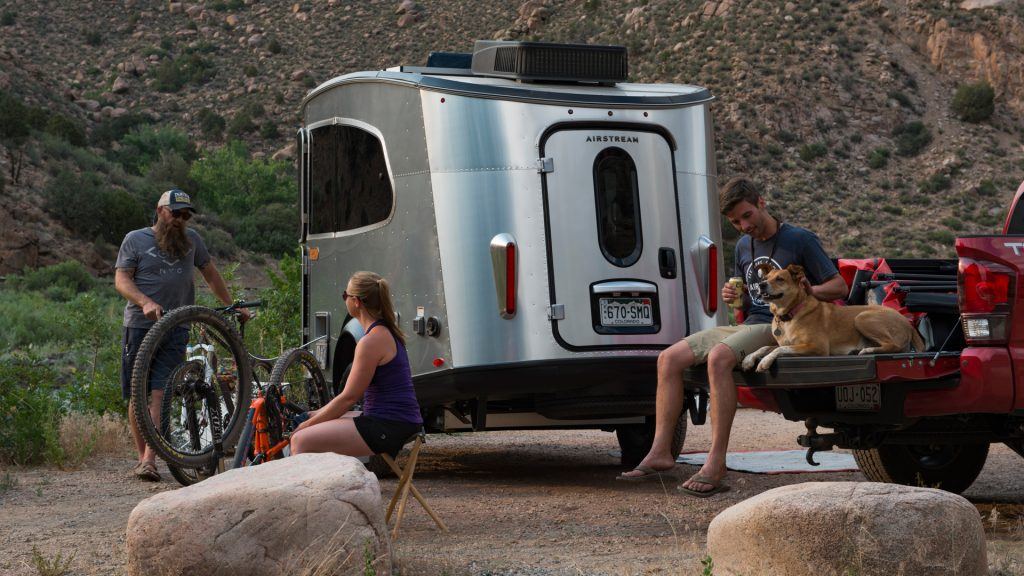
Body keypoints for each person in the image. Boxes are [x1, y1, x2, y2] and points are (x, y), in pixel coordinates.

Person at [617, 176, 848, 496]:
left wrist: (808, 291)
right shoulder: (743, 246)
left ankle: (716, 462)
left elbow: (839, 287)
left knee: (718, 358)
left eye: (747, 216)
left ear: (761, 203)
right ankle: (660, 452)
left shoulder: (799, 239)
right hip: (750, 323)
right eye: (736, 222)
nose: (744, 226)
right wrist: (733, 296)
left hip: (785, 326)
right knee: (668, 358)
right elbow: (747, 298)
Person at [114, 189, 248, 482]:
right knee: (138, 393)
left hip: (177, 326)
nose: (180, 219)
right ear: (159, 210)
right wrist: (144, 302)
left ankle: (150, 460)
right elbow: (121, 279)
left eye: (185, 215)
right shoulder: (135, 239)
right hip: (140, 325)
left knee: (161, 392)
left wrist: (231, 305)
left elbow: (210, 274)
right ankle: (143, 457)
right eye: (175, 213)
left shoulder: (193, 241)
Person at [291, 271, 423, 459]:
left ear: (356, 302)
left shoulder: (370, 342)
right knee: (315, 423)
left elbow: (348, 398)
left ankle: (317, 480)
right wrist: (314, 415)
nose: (344, 299)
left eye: (345, 295)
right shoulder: (385, 331)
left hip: (390, 425)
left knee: (300, 440)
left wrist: (305, 425)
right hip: (397, 420)